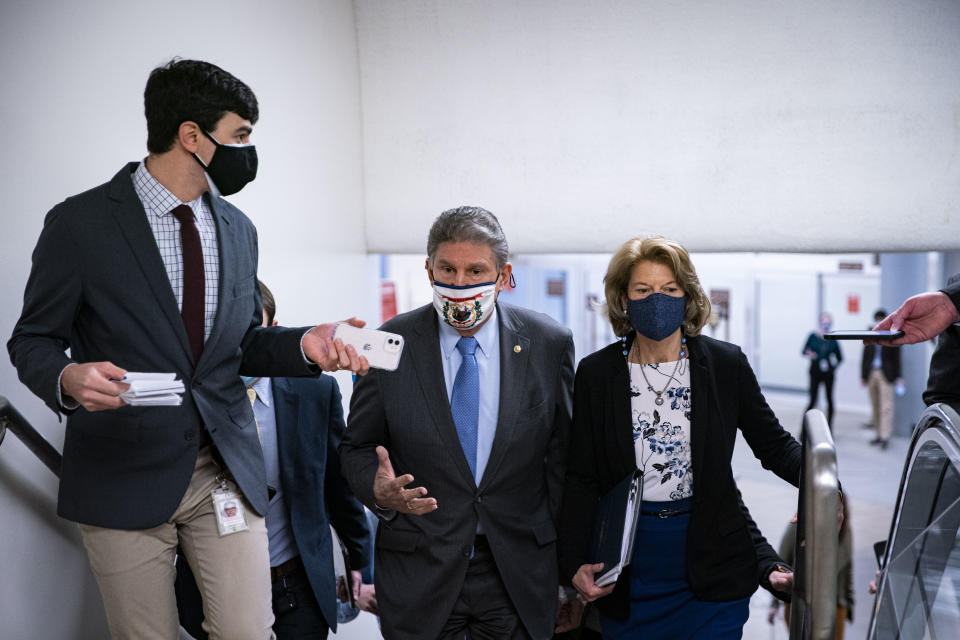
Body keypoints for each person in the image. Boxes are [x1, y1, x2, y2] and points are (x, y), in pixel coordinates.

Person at [7, 59, 369, 640]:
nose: (249, 151)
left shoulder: (239, 228)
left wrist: (304, 343)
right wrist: (68, 379)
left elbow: (241, 346)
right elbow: (32, 340)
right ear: (192, 135)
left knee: (250, 633)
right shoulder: (80, 225)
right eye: (241, 135)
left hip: (223, 468)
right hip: (122, 470)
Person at [339, 206, 576, 640]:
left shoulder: (548, 343)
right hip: (420, 572)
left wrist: (568, 571)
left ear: (504, 276)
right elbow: (356, 447)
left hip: (518, 572)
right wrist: (378, 489)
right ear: (429, 270)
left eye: (475, 270)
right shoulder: (387, 344)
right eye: (447, 269)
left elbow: (563, 463)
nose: (460, 284)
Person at [558, 235, 800, 639]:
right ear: (623, 300)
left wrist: (825, 483)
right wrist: (571, 564)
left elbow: (774, 445)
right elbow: (582, 476)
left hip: (713, 568)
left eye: (670, 289)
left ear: (687, 296)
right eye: (644, 290)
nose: (658, 300)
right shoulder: (596, 374)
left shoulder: (724, 365)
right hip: (631, 571)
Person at [176, 281, 375, 639]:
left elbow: (336, 480)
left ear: (274, 333)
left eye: (249, 334)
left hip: (295, 585)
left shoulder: (314, 389)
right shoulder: (190, 399)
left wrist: (359, 559)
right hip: (215, 587)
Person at [767, 493, 853, 639]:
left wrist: (848, 603)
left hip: (835, 606)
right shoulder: (799, 527)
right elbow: (781, 561)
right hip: (802, 602)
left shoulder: (845, 532)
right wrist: (774, 604)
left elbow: (847, 570)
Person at [861, 309, 902, 450]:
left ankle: (885, 437)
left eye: (881, 319)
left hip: (886, 374)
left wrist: (899, 377)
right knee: (875, 405)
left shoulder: (892, 334)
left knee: (886, 407)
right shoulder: (870, 334)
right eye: (876, 319)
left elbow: (897, 358)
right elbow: (865, 355)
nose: (878, 321)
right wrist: (863, 376)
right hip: (872, 373)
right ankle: (878, 435)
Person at [803, 312, 843, 429]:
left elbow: (840, 358)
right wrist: (809, 353)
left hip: (828, 374)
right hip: (815, 372)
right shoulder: (812, 336)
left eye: (828, 321)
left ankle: (829, 429)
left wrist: (832, 367)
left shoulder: (833, 339)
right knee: (812, 400)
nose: (826, 324)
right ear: (820, 322)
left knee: (829, 400)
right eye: (824, 321)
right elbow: (804, 350)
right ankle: (804, 430)